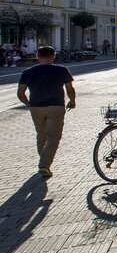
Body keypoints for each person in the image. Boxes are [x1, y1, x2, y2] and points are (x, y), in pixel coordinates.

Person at [17, 46, 76, 178]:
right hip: (56, 106)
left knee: (41, 135)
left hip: (36, 107)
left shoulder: (27, 72)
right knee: (54, 137)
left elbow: (20, 93)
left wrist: (28, 103)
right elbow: (69, 88)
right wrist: (72, 100)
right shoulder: (62, 70)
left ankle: (43, 161)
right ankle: (44, 165)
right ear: (53, 56)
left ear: (38, 56)